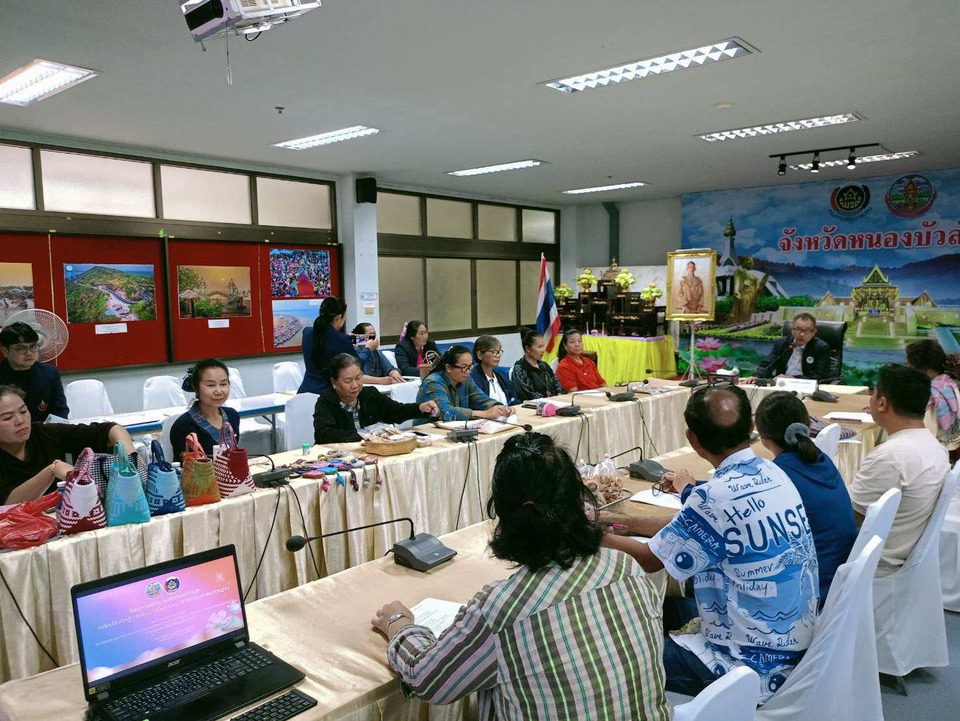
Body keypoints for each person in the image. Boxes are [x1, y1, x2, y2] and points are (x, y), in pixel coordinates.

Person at [371, 432, 671, 721]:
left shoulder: (503, 610)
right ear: (578, 499)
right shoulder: (626, 568)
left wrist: (399, 624)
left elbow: (427, 680)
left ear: (504, 513)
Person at [601, 385, 819, 702]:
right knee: (667, 606)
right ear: (751, 427)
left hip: (749, 668)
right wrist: (627, 523)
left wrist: (595, 535)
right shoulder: (772, 470)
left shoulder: (713, 497)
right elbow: (693, 526)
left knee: (621, 655)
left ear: (693, 439)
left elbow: (650, 559)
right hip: (796, 648)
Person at [755, 391, 858, 607]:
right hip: (839, 584)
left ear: (761, 435)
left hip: (812, 593)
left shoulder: (778, 477)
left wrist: (690, 490)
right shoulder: (821, 460)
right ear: (807, 424)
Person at [848, 364, 950, 576]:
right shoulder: (936, 448)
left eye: (874, 394)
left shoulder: (890, 456)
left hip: (873, 565)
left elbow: (850, 517)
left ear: (882, 403)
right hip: (902, 555)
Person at [0, 385, 135, 505]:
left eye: (23, 411)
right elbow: (8, 504)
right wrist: (52, 470)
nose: (20, 420)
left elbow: (111, 429)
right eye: (7, 418)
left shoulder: (43, 433)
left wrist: (131, 460)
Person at [314, 354, 439, 443]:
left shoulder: (369, 394)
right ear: (334, 382)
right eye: (348, 381)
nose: (355, 385)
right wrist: (364, 435)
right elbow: (324, 434)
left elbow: (396, 411)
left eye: (358, 378)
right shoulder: (326, 402)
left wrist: (420, 408)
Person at [298, 296, 380, 394]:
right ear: (338, 318)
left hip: (305, 391)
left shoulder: (307, 332)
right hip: (327, 394)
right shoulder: (341, 340)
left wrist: (347, 338)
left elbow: (325, 339)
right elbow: (357, 364)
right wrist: (369, 348)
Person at [416, 345, 514, 422]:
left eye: (470, 367)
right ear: (448, 367)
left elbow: (481, 398)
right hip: (429, 431)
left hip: (456, 428)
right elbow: (445, 411)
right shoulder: (434, 382)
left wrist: (499, 407)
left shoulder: (466, 379)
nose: (468, 371)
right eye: (464, 367)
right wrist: (484, 414)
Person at [169, 358, 240, 459]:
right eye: (211, 385)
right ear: (196, 388)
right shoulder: (183, 426)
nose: (219, 391)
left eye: (223, 384)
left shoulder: (232, 415)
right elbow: (184, 465)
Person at [0, 322, 69, 422]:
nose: (29, 353)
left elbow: (60, 410)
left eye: (33, 346)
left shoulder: (50, 372)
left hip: (44, 429)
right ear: (5, 351)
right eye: (21, 348)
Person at [906, 338, 960, 458]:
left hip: (936, 453)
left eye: (909, 365)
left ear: (922, 368)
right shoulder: (949, 383)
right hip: (950, 447)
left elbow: (926, 435)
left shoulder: (933, 395)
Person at [754, 312, 832, 381]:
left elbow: (819, 376)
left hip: (806, 386)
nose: (802, 334)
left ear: (814, 332)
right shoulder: (782, 343)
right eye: (798, 329)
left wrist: (792, 378)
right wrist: (757, 376)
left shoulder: (820, 348)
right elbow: (767, 364)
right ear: (792, 330)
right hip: (781, 385)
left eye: (807, 331)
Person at [511, 330, 563, 402]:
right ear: (527, 348)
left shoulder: (544, 365)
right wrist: (548, 400)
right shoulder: (520, 368)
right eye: (539, 347)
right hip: (533, 405)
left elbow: (557, 383)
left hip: (553, 402)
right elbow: (527, 394)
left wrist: (559, 395)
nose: (543, 350)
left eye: (543, 346)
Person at [469, 335, 517, 406]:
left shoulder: (503, 379)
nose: (498, 356)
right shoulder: (472, 380)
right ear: (480, 355)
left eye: (498, 352)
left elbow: (514, 401)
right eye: (493, 352)